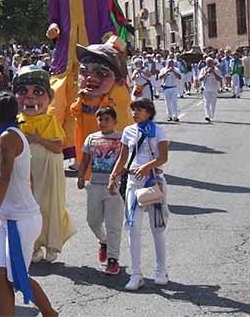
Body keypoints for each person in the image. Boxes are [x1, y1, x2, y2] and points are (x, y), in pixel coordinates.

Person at [46, 0, 122, 167]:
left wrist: (111, 39)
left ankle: (96, 151)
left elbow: (107, 24)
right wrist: (53, 28)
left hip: (93, 59)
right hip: (64, 61)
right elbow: (53, 19)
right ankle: (56, 150)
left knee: (97, 103)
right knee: (58, 105)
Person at [0, 92, 58, 317]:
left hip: (19, 219)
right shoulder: (5, 136)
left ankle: (50, 314)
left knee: (16, 275)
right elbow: (27, 177)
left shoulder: (9, 137)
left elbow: (5, 177)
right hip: (4, 218)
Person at [14, 66, 75, 263]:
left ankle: (51, 244)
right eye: (24, 92)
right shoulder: (16, 122)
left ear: (48, 97)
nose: (30, 98)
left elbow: (58, 147)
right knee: (30, 208)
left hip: (48, 173)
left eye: (37, 92)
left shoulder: (50, 120)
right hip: (27, 174)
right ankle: (33, 245)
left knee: (49, 207)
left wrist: (38, 139)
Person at [109, 98, 170, 290]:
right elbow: (123, 156)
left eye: (140, 110)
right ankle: (136, 274)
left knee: (157, 227)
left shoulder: (159, 130)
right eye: (133, 110)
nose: (135, 113)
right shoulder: (128, 131)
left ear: (149, 112)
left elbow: (163, 157)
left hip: (153, 181)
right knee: (133, 227)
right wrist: (113, 176)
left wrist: (147, 167)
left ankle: (161, 270)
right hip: (134, 183)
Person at [76, 106, 124, 275]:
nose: (103, 123)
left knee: (113, 224)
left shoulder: (121, 139)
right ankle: (103, 241)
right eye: (100, 119)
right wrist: (81, 176)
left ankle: (113, 259)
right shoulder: (91, 138)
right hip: (95, 184)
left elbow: (126, 160)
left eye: (106, 119)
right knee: (92, 220)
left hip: (114, 187)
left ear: (114, 122)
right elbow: (85, 160)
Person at [197, 57, 223, 123]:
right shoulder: (203, 69)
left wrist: (213, 73)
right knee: (206, 102)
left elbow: (220, 79)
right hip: (206, 88)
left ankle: (211, 115)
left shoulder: (216, 69)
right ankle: (207, 115)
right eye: (208, 62)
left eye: (210, 62)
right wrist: (206, 73)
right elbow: (200, 79)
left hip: (214, 88)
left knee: (213, 103)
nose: (209, 64)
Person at [158, 57, 183, 122]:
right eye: (169, 63)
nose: (170, 64)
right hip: (166, 87)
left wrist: (173, 71)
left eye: (172, 63)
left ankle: (175, 116)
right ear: (167, 63)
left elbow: (179, 77)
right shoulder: (163, 69)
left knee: (174, 102)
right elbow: (160, 77)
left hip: (174, 87)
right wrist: (167, 72)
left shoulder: (176, 69)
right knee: (168, 103)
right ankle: (169, 116)